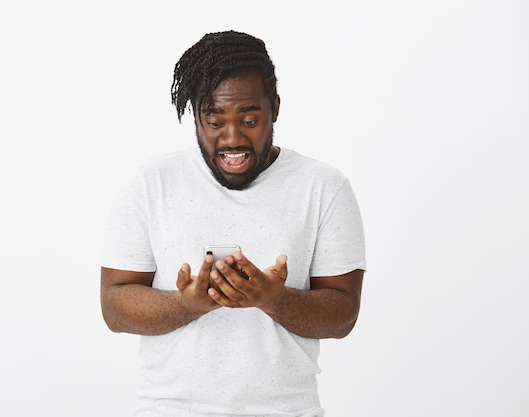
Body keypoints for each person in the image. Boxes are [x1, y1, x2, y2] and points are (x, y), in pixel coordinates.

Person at [100, 30, 366, 417]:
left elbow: (343, 314)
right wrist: (186, 304)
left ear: (274, 107)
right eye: (214, 121)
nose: (232, 139)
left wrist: (273, 300)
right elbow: (114, 305)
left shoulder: (324, 187)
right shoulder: (150, 183)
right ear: (195, 115)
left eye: (249, 119)